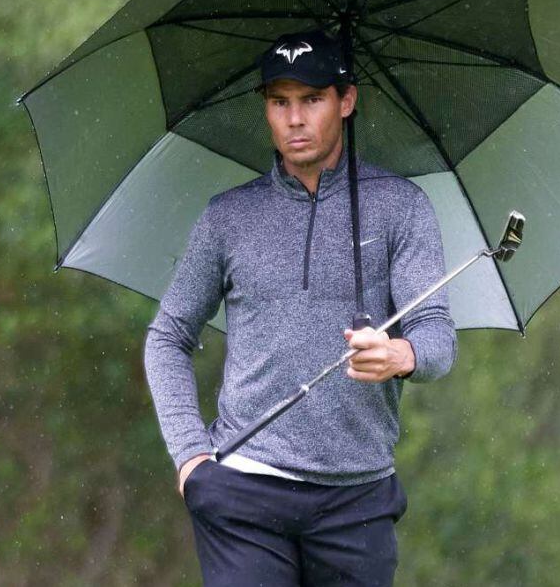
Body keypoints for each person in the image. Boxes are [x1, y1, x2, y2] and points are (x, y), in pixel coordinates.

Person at [143, 29, 457, 586]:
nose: (294, 119)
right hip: (243, 489)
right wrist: (192, 459)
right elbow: (167, 336)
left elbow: (437, 337)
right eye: (279, 101)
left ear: (347, 101)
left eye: (312, 99)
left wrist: (400, 353)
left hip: (357, 501)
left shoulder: (401, 208)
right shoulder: (228, 218)